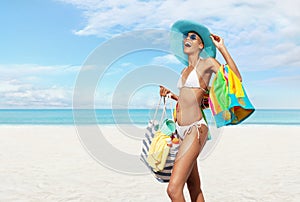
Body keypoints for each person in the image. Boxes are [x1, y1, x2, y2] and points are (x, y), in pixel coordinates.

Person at [160, 20, 242, 202]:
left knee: (173, 190)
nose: (187, 39)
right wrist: (172, 95)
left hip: (195, 129)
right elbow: (190, 98)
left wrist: (222, 48)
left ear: (201, 44)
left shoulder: (207, 64)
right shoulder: (184, 70)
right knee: (194, 187)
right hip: (180, 132)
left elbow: (236, 78)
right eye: (185, 37)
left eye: (192, 37)